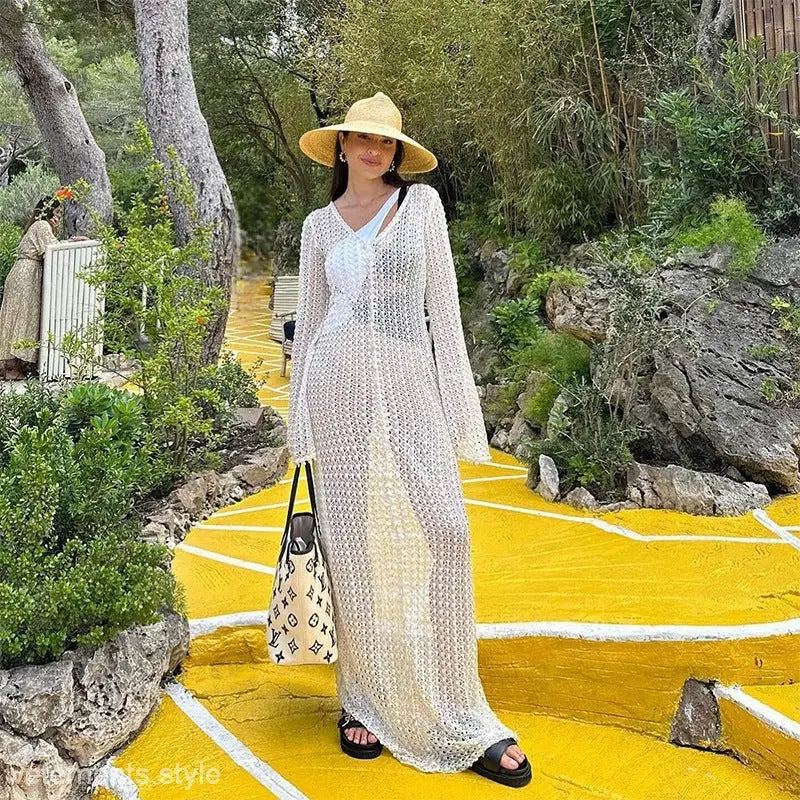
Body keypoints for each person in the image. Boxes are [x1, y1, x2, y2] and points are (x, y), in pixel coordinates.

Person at [288, 91, 531, 788]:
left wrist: (461, 416)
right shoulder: (317, 228)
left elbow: (443, 318)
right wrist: (297, 423)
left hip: (407, 379)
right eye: (363, 140)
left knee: (447, 530)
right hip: (333, 386)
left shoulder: (422, 209)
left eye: (386, 143)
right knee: (352, 542)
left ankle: (460, 709)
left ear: (397, 153)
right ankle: (359, 698)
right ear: (340, 146)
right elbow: (311, 325)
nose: (374, 151)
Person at [0, 193, 87, 380]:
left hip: (22, 273)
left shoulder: (37, 225)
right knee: (22, 317)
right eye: (55, 213)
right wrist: (72, 242)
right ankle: (11, 367)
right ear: (47, 212)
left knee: (16, 316)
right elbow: (51, 248)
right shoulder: (42, 225)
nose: (57, 218)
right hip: (26, 275)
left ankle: (10, 365)